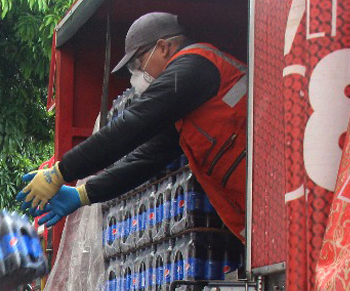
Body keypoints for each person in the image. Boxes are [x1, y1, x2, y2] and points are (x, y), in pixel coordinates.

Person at [18, 12, 248, 241]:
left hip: (270, 193)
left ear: (163, 47)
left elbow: (132, 125)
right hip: (254, 215)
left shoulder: (194, 66)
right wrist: (83, 194)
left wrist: (61, 171)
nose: (136, 74)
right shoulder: (185, 106)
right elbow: (148, 158)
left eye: (137, 63)